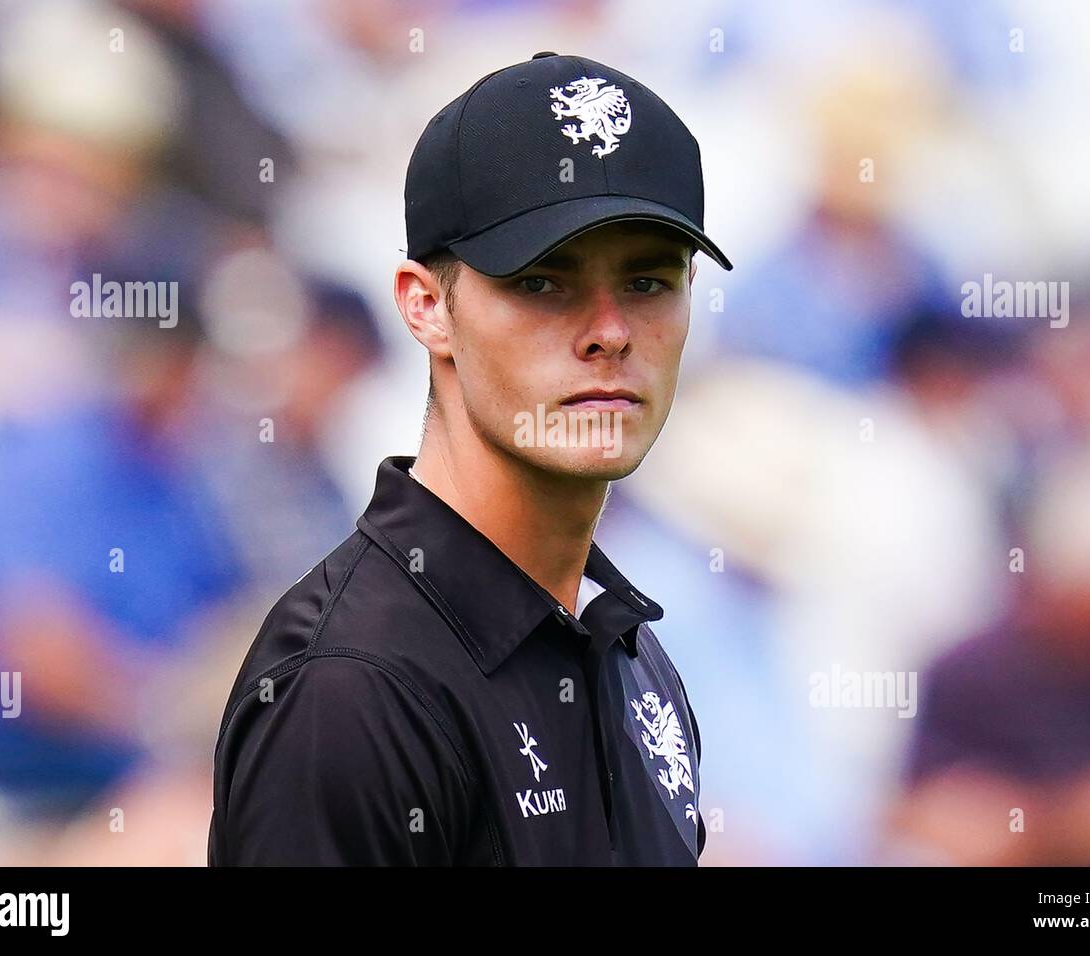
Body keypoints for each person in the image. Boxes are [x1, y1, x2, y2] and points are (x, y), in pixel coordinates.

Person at [209, 51, 732, 865]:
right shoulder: (349, 689)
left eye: (649, 281)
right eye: (543, 282)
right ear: (427, 307)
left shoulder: (628, 649)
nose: (611, 331)